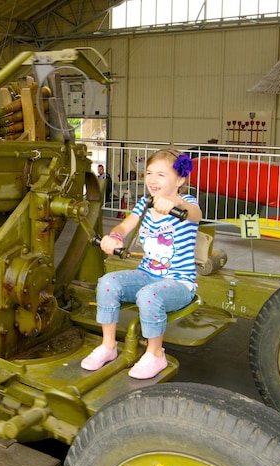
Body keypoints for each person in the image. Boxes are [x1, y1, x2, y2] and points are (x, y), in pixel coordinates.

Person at [81, 148, 202, 379]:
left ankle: (155, 353)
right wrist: (114, 237)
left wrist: (174, 202)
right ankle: (108, 346)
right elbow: (124, 227)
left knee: (150, 295)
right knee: (107, 282)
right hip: (147, 274)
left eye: (161, 174)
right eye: (148, 173)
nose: (152, 180)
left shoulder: (186, 203)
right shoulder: (144, 204)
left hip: (178, 282)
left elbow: (195, 214)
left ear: (180, 179)